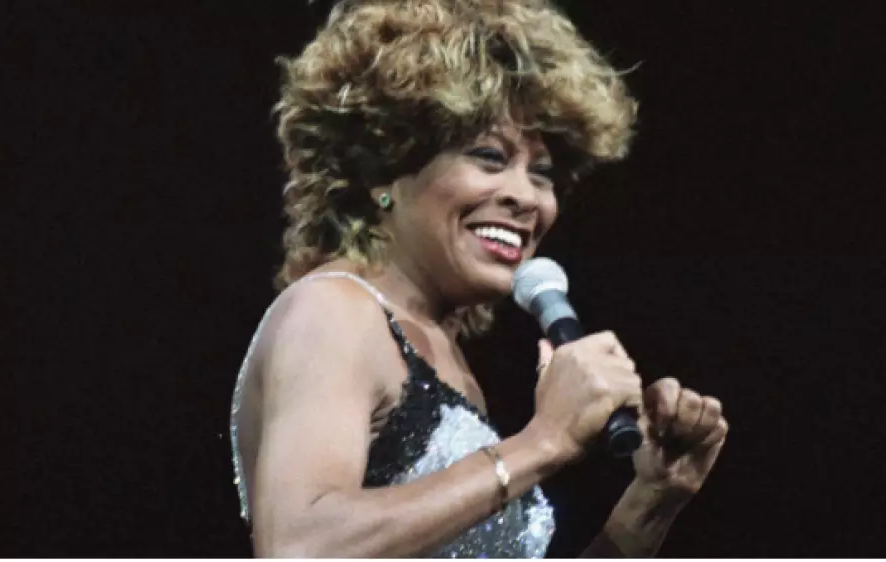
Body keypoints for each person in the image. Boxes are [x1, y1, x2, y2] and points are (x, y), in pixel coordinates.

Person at [230, 0, 729, 557]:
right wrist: (545, 441)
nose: (526, 197)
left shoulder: (444, 356)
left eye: (542, 173)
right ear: (383, 169)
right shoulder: (334, 312)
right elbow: (300, 546)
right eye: (489, 157)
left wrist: (651, 503)